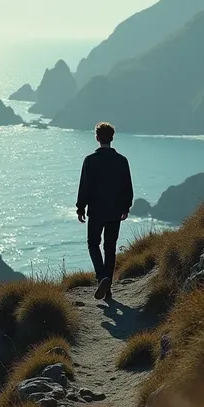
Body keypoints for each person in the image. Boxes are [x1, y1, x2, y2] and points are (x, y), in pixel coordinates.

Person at [76, 122, 134, 301]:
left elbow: (84, 186)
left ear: (97, 137)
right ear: (112, 137)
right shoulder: (122, 160)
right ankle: (107, 289)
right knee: (110, 248)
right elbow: (127, 186)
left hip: (96, 211)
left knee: (93, 244)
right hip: (115, 211)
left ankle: (102, 278)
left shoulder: (90, 160)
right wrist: (126, 207)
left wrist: (80, 207)